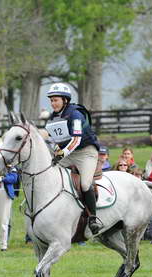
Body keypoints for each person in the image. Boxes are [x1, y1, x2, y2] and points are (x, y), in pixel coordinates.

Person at [45, 82, 103, 234]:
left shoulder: (76, 115)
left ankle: (93, 218)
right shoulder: (53, 118)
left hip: (86, 153)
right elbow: (53, 139)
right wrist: (55, 151)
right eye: (51, 100)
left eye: (56, 100)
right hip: (69, 153)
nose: (53, 103)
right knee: (50, 171)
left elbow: (76, 140)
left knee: (85, 184)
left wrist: (62, 153)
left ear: (65, 100)